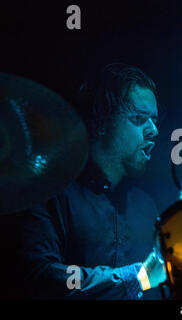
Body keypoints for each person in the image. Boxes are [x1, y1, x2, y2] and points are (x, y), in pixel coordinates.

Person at [17, 63, 167, 299]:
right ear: (102, 123)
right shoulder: (49, 193)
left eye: (155, 121)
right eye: (139, 118)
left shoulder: (146, 206)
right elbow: (41, 275)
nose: (154, 130)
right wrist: (137, 278)